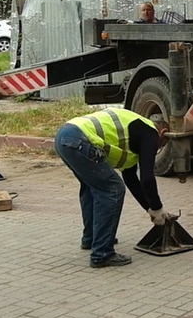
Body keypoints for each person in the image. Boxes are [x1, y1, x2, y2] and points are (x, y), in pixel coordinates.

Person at [53, 108, 177, 268]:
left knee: (92, 186)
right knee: (112, 189)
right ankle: (102, 253)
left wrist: (150, 209)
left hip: (64, 136)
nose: (157, 148)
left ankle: (91, 238)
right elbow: (147, 178)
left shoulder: (134, 131)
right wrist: (158, 208)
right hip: (79, 139)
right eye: (161, 145)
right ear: (163, 132)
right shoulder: (151, 133)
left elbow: (132, 180)